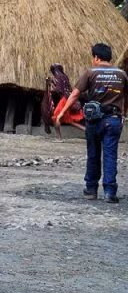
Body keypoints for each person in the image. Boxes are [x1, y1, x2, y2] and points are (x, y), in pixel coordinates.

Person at [56, 43, 127, 203]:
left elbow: (74, 95)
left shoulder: (90, 73)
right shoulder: (122, 74)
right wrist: (123, 113)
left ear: (96, 57)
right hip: (114, 120)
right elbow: (125, 97)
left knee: (93, 155)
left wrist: (62, 112)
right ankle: (109, 192)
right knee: (110, 155)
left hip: (94, 121)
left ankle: (91, 190)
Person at [45, 63, 84, 139]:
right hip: (70, 98)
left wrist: (51, 84)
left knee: (55, 118)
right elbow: (69, 89)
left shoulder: (57, 77)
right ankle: (86, 130)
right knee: (68, 120)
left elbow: (59, 90)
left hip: (64, 99)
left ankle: (59, 138)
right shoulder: (65, 76)